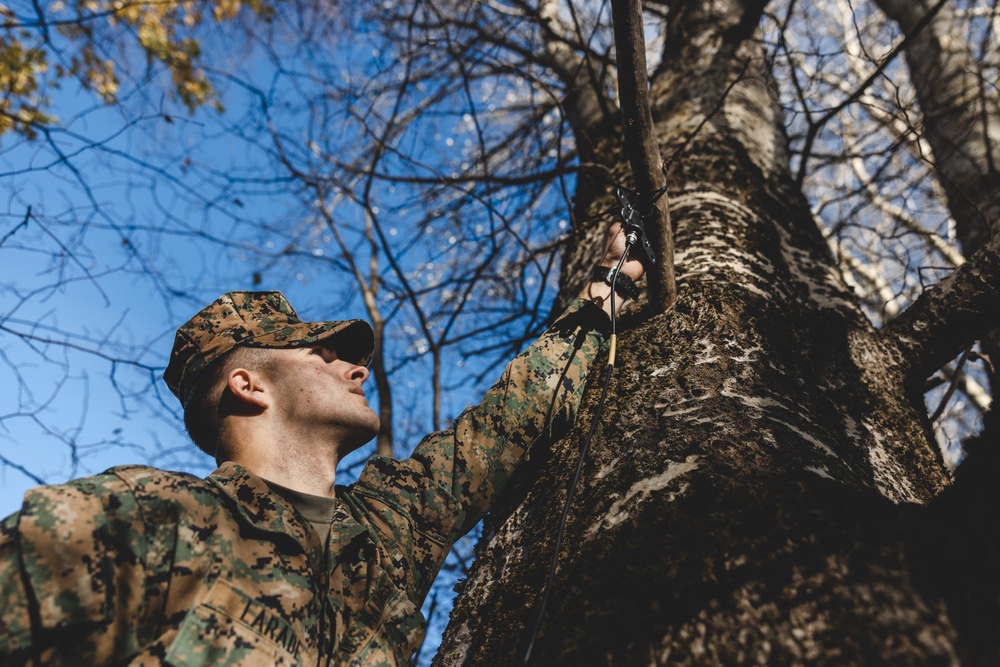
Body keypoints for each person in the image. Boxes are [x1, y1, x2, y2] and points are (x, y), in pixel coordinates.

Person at [0, 223, 644, 666]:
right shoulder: (142, 514)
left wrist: (601, 297)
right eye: (323, 355)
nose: (357, 369)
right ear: (249, 385)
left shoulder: (388, 529)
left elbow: (504, 427)